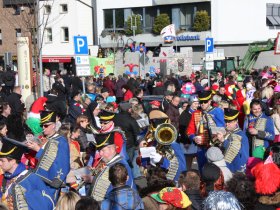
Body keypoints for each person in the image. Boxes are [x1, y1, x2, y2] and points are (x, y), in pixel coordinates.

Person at [26, 111, 70, 203]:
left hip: (51, 182)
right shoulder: (43, 138)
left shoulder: (61, 141)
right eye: (42, 125)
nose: (43, 128)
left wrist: (38, 149)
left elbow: (61, 164)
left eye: (46, 126)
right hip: (40, 179)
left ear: (53, 125)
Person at [0, 139, 54, 210]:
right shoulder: (3, 177)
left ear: (13, 161)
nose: (0, 163)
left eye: (2, 161)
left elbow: (46, 203)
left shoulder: (31, 178)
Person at [88, 132, 136, 202]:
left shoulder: (121, 165)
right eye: (99, 150)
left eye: (102, 150)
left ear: (112, 149)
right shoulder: (111, 163)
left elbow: (125, 193)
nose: (100, 154)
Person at [187, 91, 225, 172]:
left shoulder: (217, 111)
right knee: (202, 170)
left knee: (215, 171)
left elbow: (223, 128)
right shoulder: (196, 113)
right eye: (201, 102)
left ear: (210, 101)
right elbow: (190, 131)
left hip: (215, 147)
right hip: (201, 148)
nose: (202, 104)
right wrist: (194, 138)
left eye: (205, 102)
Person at [179, 95, 199, 171]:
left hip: (198, 139)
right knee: (188, 160)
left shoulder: (199, 112)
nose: (196, 105)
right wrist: (185, 141)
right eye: (194, 103)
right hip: (188, 141)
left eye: (197, 103)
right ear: (190, 103)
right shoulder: (185, 114)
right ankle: (186, 175)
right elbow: (182, 129)